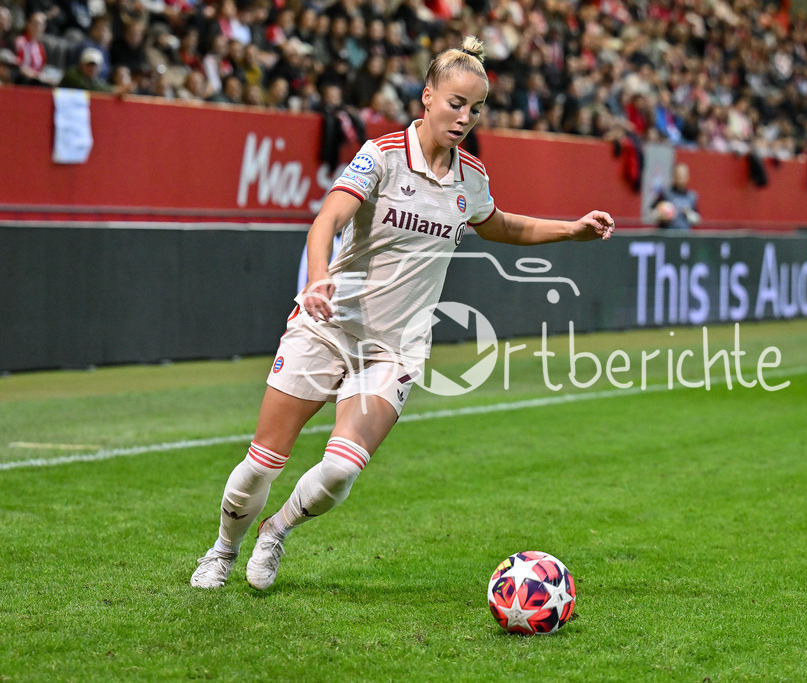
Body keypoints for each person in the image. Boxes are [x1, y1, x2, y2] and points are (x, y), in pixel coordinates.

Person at [190, 35, 615, 590]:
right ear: (428, 97)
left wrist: (571, 230)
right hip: (329, 324)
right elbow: (327, 221)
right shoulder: (383, 155)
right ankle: (222, 550)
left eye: (476, 108)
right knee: (264, 460)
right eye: (455, 103)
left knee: (341, 471)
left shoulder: (471, 179)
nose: (464, 117)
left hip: (394, 347)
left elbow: (502, 224)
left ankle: (275, 531)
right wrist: (317, 278)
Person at [651, 162, 700, 230]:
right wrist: (660, 215)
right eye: (678, 174)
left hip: (684, 236)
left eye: (683, 175)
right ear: (674, 176)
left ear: (688, 176)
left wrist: (689, 214)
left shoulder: (692, 196)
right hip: (666, 235)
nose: (681, 177)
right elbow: (650, 212)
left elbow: (697, 219)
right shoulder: (665, 193)